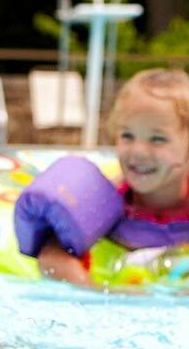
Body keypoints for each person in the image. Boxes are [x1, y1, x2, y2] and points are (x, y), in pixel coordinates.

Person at [37, 69, 189, 291]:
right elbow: (51, 257)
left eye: (158, 139)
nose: (138, 151)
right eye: (127, 135)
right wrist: (98, 292)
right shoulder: (104, 201)